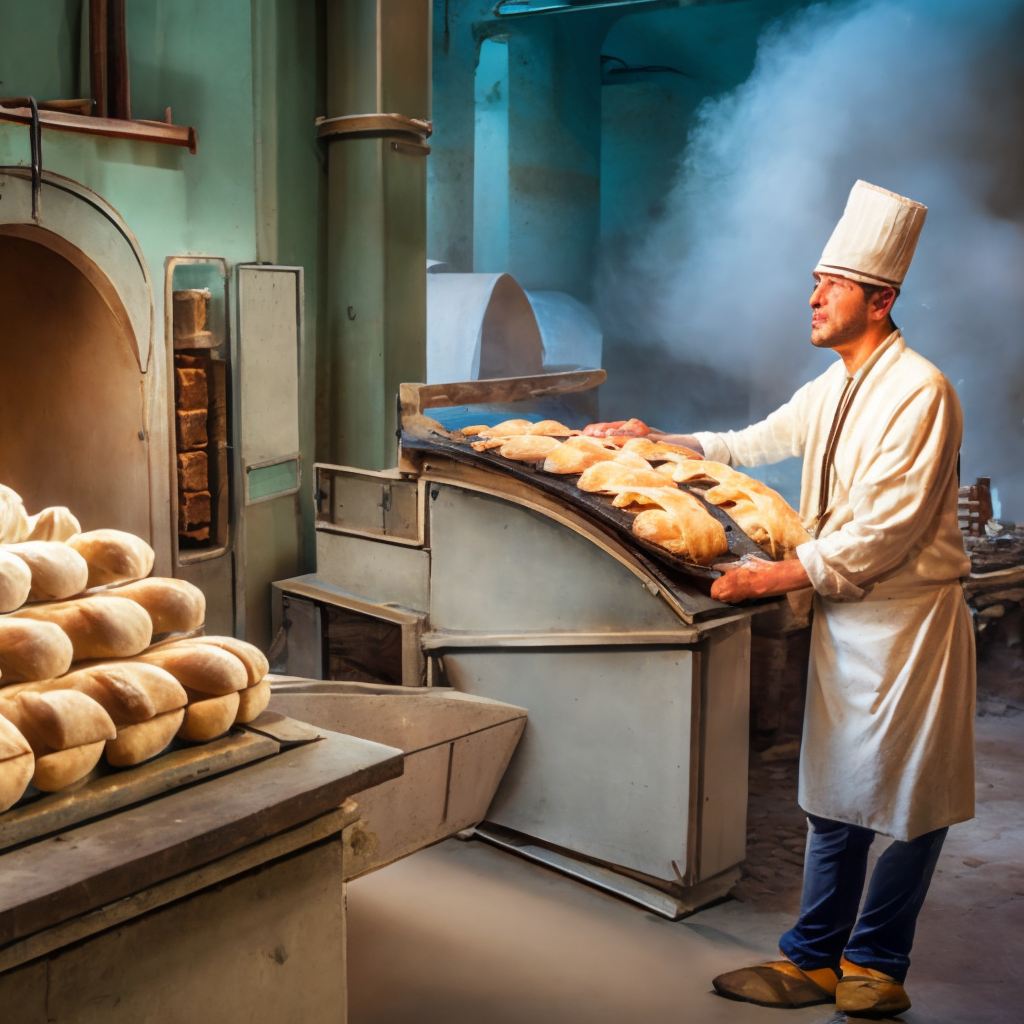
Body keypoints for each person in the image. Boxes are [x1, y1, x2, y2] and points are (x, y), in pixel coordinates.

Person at [588, 181, 976, 1019]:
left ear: (880, 299)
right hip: (848, 622)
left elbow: (882, 535)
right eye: (815, 281)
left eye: (828, 285)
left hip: (909, 625)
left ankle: (876, 962)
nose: (812, 297)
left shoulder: (920, 390)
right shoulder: (835, 385)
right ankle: (812, 959)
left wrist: (770, 576)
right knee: (834, 790)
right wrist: (662, 440)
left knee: (911, 795)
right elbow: (757, 439)